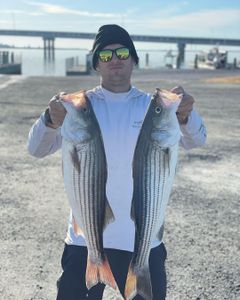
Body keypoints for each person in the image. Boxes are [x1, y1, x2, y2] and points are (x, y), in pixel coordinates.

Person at [28, 24, 207, 300]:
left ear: (134, 59)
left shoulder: (151, 107)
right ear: (96, 64)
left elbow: (196, 140)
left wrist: (186, 116)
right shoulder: (79, 107)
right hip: (84, 241)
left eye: (122, 52)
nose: (115, 60)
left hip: (142, 241)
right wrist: (49, 120)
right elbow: (36, 149)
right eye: (105, 55)